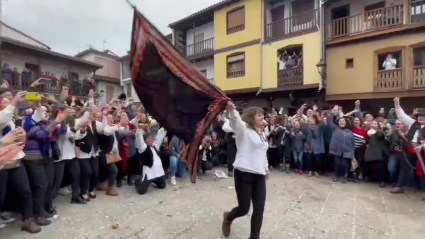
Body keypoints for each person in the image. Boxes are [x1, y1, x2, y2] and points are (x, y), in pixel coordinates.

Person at [221, 101, 269, 239]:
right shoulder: (243, 130)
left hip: (259, 175)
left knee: (259, 208)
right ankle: (228, 217)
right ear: (251, 117)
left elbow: (262, 152)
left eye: (263, 115)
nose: (262, 117)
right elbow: (236, 122)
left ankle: (254, 236)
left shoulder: (262, 132)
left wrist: (265, 168)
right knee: (244, 208)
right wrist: (232, 111)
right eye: (259, 115)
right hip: (243, 173)